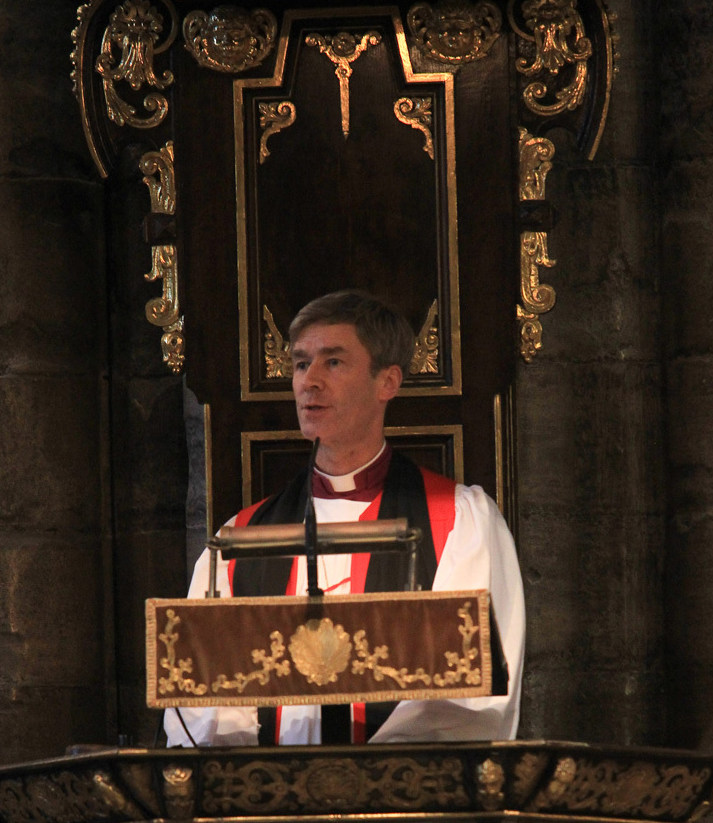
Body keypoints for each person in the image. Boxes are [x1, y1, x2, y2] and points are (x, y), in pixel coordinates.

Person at [165, 290, 525, 747]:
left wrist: (354, 781)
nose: (308, 381)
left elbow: (469, 702)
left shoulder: (458, 521)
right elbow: (200, 705)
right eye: (300, 363)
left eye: (333, 362)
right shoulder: (240, 540)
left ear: (387, 383)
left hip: (404, 807)